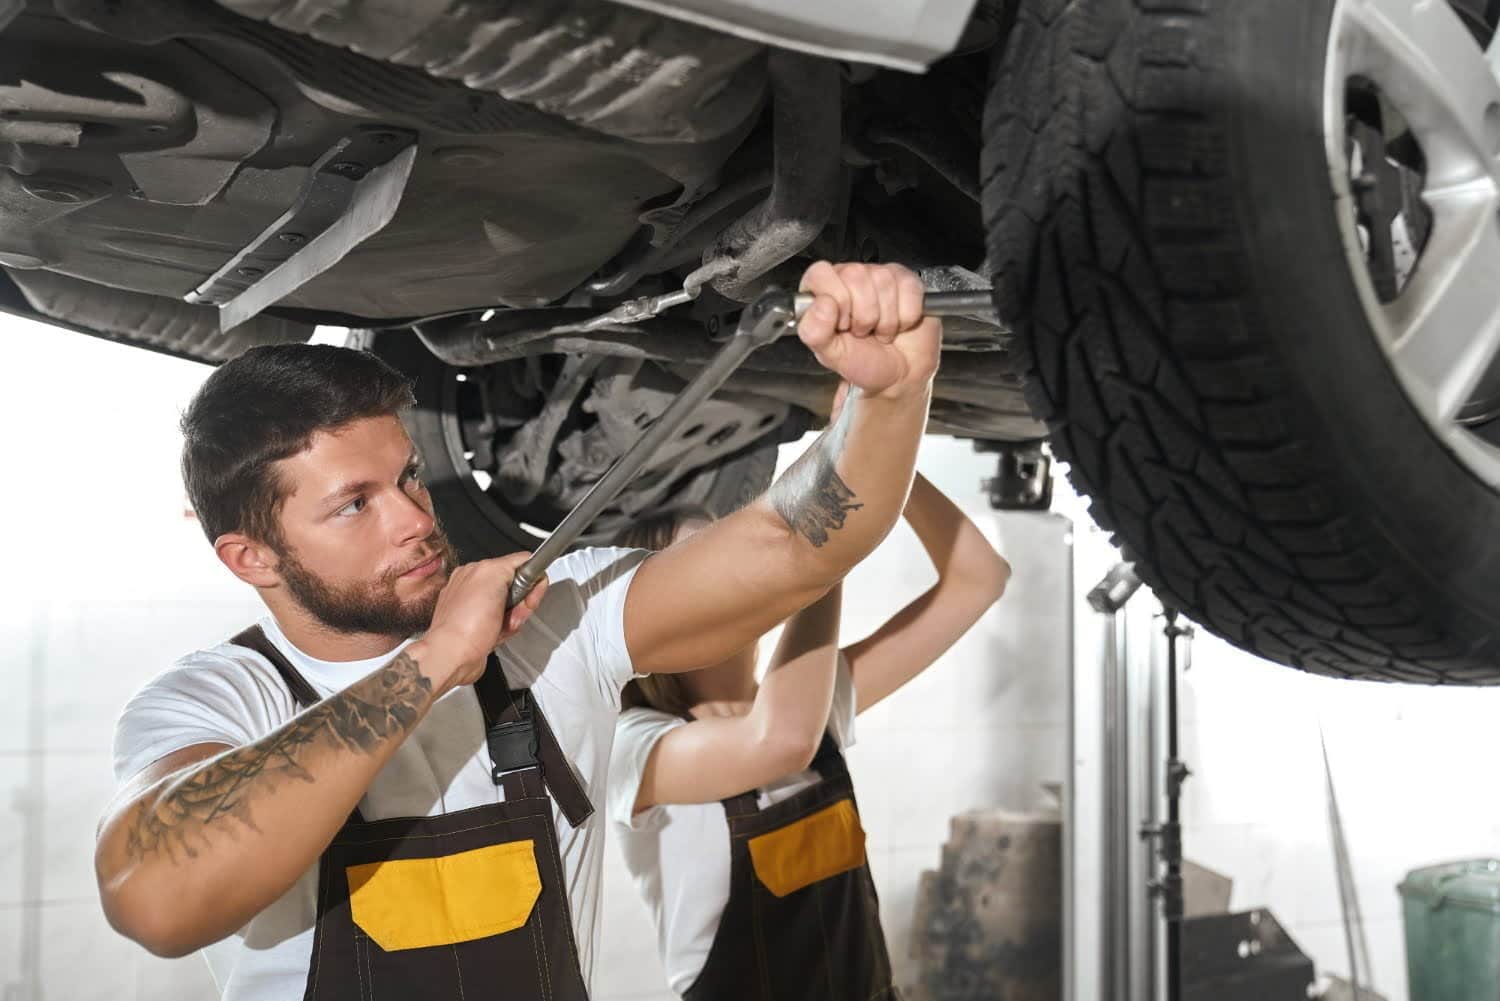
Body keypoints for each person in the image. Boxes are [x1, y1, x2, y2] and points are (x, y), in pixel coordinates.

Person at [92, 261, 942, 1001]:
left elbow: (792, 546)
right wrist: (428, 666)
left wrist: (891, 401)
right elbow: (155, 898)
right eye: (355, 504)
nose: (413, 520)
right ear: (252, 559)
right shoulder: (218, 700)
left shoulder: (545, 623)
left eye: (409, 477)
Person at [608, 462, 1010, 1001]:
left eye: (734, 553)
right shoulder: (635, 745)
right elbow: (780, 741)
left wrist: (885, 447)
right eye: (703, 565)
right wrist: (823, 556)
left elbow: (979, 581)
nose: (737, 572)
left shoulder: (813, 699)